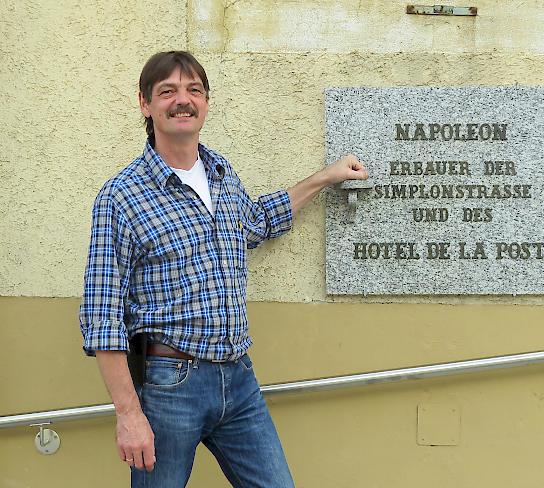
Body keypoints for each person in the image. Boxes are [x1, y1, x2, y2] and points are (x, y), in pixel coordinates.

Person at [79, 50, 368, 488]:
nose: (183, 100)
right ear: (145, 104)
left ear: (206, 102)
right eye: (168, 91)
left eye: (194, 90)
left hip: (239, 378)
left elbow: (257, 221)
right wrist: (129, 415)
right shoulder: (121, 197)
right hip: (170, 387)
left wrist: (325, 177)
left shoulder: (221, 174)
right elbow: (102, 316)